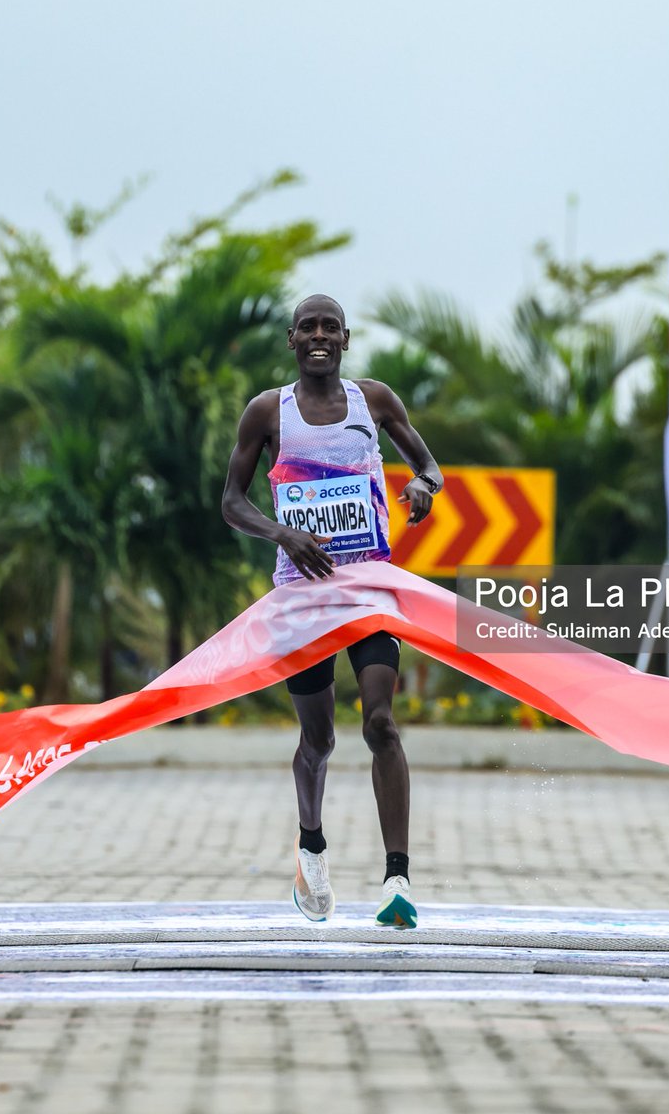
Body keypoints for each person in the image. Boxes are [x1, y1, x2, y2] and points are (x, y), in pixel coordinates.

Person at [222, 294, 443, 928]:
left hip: (370, 586)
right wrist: (284, 535)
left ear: (345, 339)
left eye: (331, 328)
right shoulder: (268, 412)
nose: (320, 336)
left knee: (381, 723)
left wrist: (423, 486)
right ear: (292, 340)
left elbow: (426, 463)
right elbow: (231, 502)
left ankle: (397, 879)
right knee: (319, 738)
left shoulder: (375, 401)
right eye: (308, 328)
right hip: (303, 596)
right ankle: (311, 846)